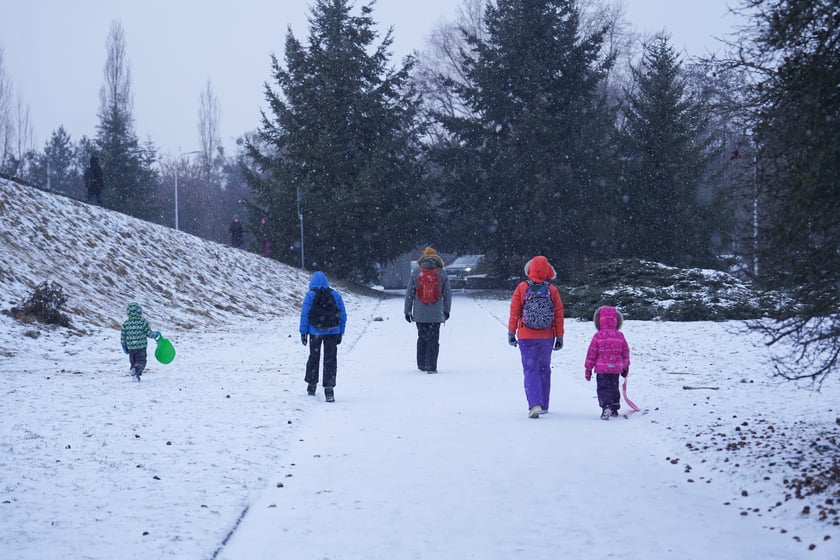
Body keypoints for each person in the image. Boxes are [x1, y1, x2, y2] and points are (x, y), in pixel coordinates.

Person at [507, 255, 565, 418]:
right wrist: (559, 336)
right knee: (544, 369)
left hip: (526, 335)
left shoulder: (522, 287)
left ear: (529, 269)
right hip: (547, 336)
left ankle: (535, 404)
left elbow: (515, 312)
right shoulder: (552, 290)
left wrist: (511, 332)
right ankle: (545, 404)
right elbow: (559, 314)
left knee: (530, 369)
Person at [299, 271, 347, 402]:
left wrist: (303, 332)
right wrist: (341, 331)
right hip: (332, 331)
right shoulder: (335, 294)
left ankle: (311, 385)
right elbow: (343, 314)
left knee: (314, 357)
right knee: (330, 360)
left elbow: (305, 315)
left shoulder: (310, 295)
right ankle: (329, 389)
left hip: (315, 332)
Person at [404, 247, 452, 373]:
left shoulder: (416, 272)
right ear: (436, 257)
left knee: (422, 337)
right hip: (436, 313)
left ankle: (421, 364)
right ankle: (431, 366)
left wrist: (407, 311)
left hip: (420, 313)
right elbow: (447, 294)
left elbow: (409, 293)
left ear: (423, 256)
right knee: (434, 339)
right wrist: (446, 310)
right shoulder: (442, 272)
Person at [584, 305, 631, 420]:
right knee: (614, 387)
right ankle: (614, 407)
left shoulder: (598, 336)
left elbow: (592, 353)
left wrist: (588, 368)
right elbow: (625, 352)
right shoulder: (620, 336)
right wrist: (625, 366)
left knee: (603, 388)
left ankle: (606, 406)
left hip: (602, 369)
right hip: (616, 368)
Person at [120, 302, 160, 382]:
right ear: (139, 311)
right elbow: (148, 333)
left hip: (131, 347)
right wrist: (156, 334)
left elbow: (123, 336)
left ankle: (135, 374)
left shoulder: (126, 324)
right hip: (141, 346)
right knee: (141, 361)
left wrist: (124, 345)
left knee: (133, 361)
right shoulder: (143, 322)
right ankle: (136, 370)